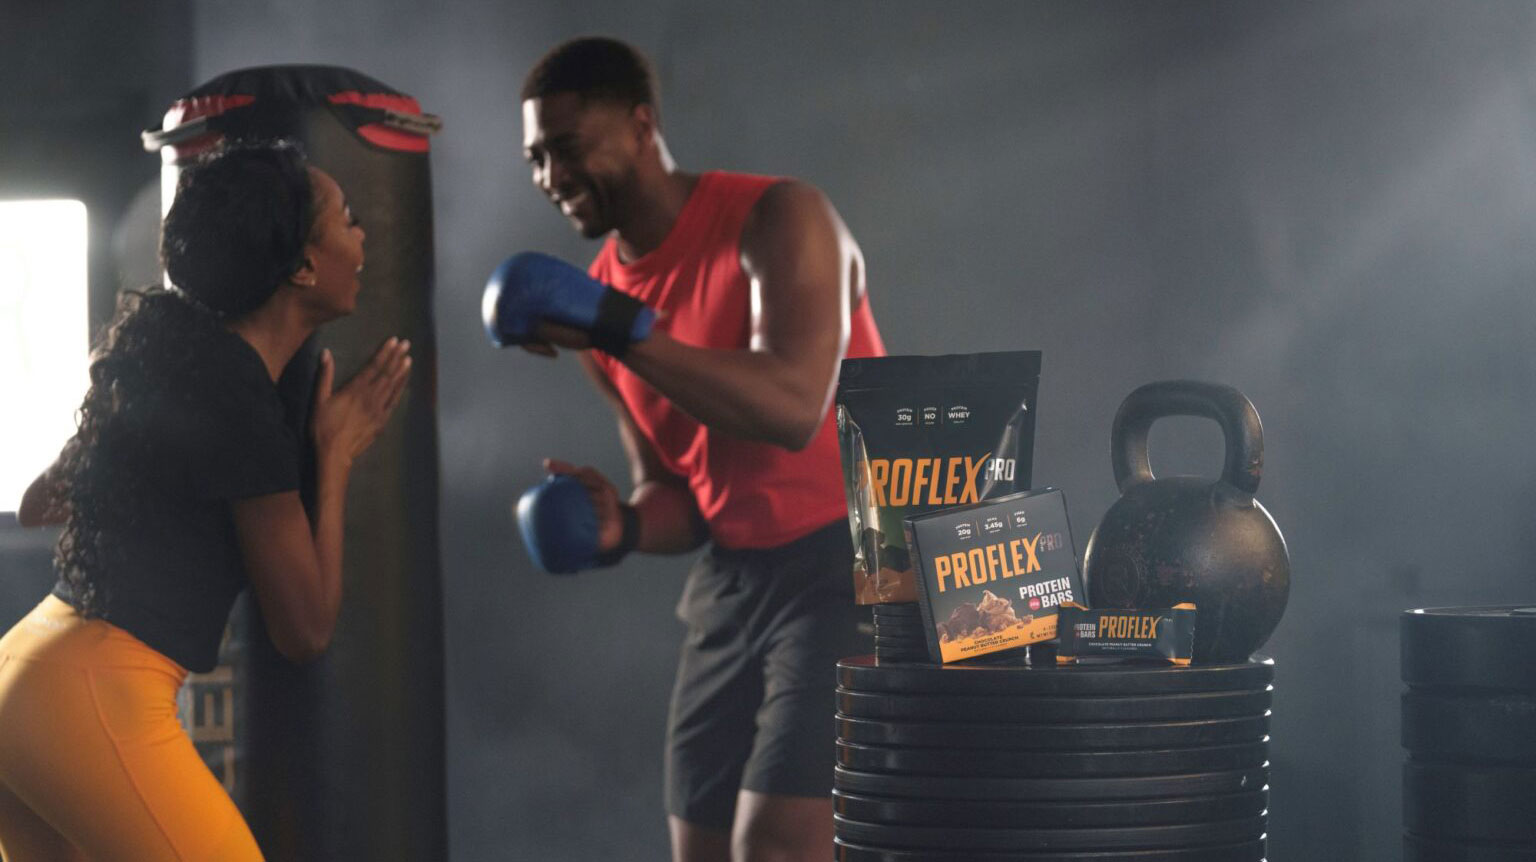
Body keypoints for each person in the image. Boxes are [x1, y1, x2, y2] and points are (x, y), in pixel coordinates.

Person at [494, 36, 887, 862]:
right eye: (534, 159)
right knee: (699, 851)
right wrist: (624, 527)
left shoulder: (780, 218)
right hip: (734, 588)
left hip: (848, 568)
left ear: (642, 126)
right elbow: (679, 494)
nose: (549, 178)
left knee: (775, 846)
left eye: (565, 149)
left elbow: (792, 407)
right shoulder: (599, 310)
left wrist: (620, 330)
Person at [0, 142, 411, 860]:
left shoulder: (165, 356)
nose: (363, 234)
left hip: (23, 672)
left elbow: (40, 502)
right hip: (95, 696)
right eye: (347, 219)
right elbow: (305, 629)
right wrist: (337, 454)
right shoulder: (243, 405)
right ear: (304, 266)